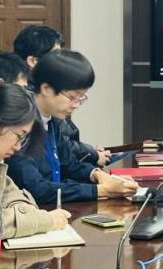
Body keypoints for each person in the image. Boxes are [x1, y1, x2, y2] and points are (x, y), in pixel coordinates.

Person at [6, 49, 136, 204]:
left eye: (81, 98)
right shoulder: (19, 122)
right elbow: (36, 189)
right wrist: (101, 190)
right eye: (72, 97)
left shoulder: (53, 119)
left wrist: (99, 175)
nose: (76, 105)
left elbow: (69, 164)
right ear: (46, 89)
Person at [0, 82, 70, 237]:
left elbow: (11, 194)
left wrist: (25, 211)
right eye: (19, 136)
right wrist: (42, 221)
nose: (18, 147)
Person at [13, 24, 109, 166]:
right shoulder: (26, 105)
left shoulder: (51, 106)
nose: (75, 105)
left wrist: (91, 161)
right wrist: (92, 154)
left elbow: (64, 148)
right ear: (33, 61)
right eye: (55, 56)